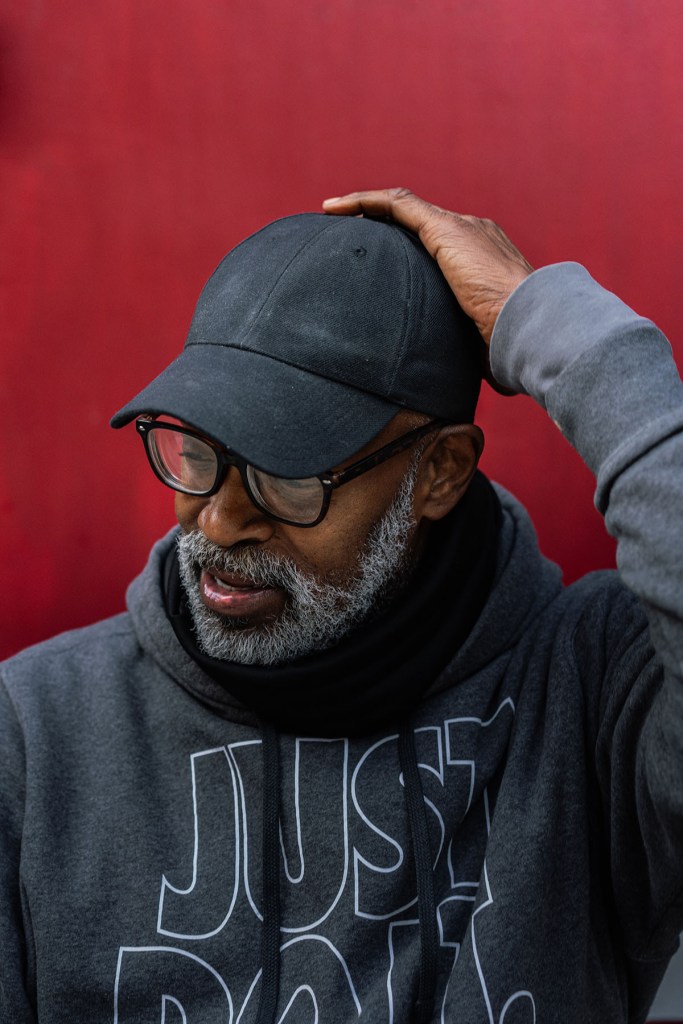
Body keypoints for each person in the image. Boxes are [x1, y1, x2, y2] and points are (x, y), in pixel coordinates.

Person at [1, 187, 681, 1024]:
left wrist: (558, 329)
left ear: (439, 473)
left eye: (287, 474)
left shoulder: (594, 695)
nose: (217, 519)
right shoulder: (35, 732)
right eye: (196, 448)